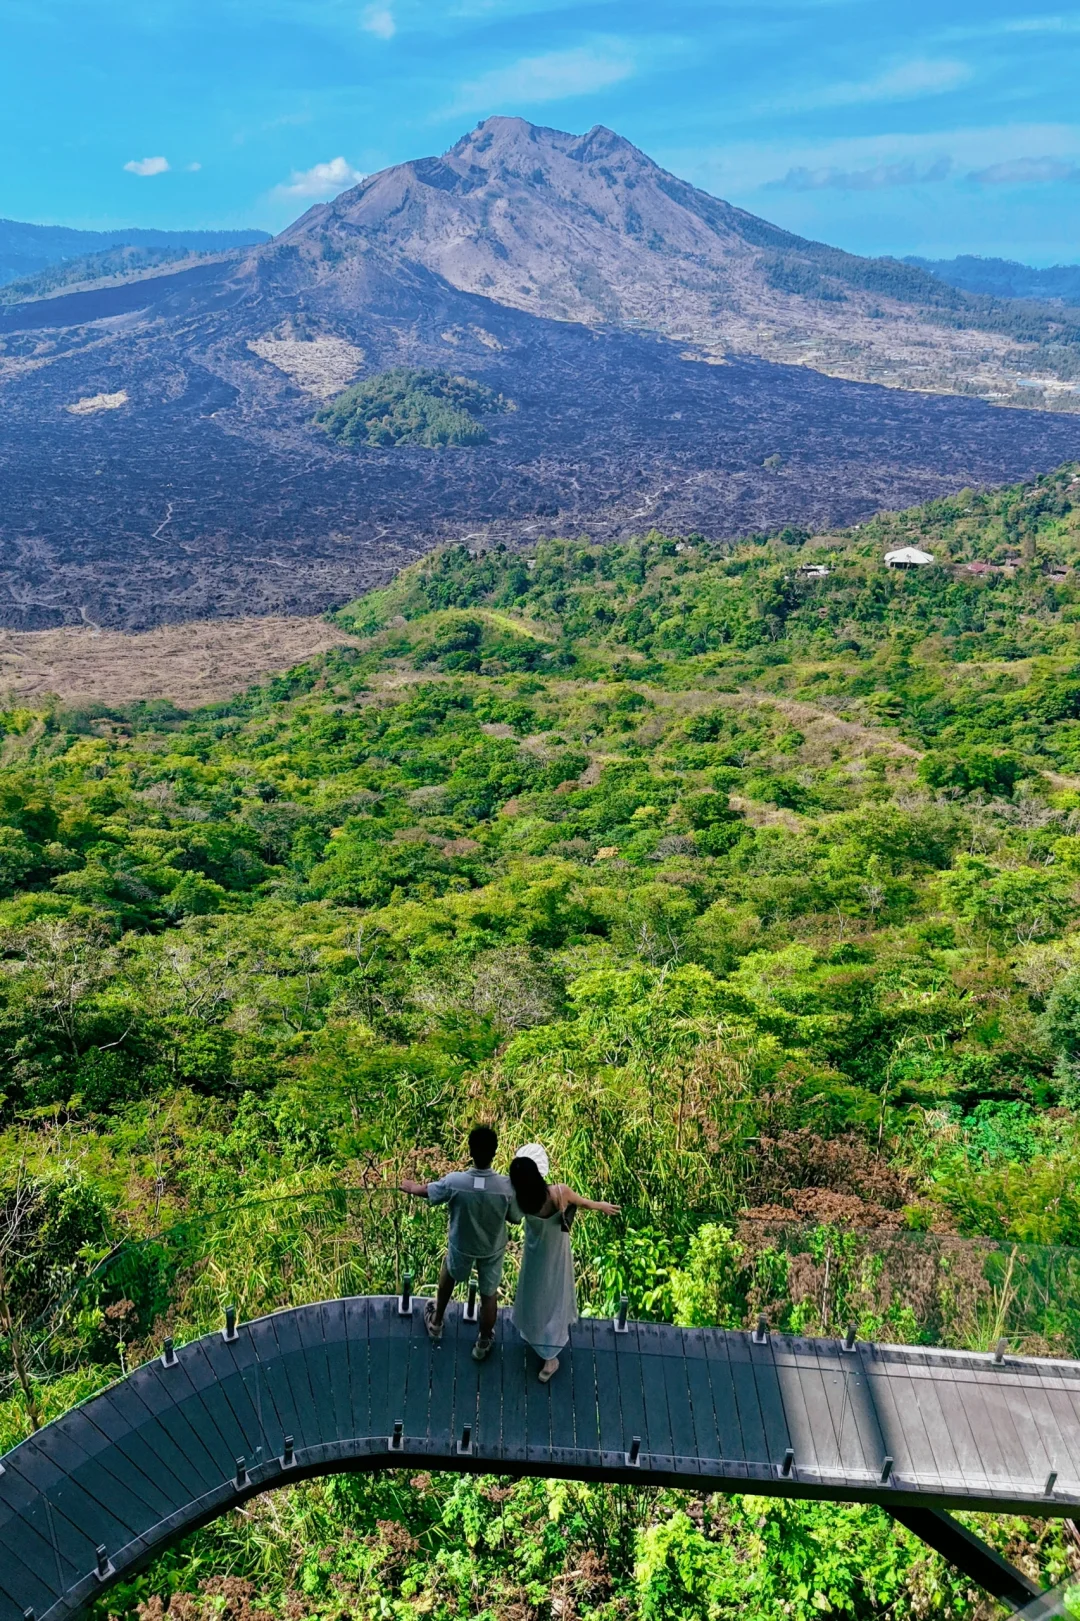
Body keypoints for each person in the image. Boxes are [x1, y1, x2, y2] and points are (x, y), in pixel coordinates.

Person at [399, 1124, 519, 1362]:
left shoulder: (456, 1182)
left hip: (461, 1244)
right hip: (492, 1248)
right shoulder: (507, 1187)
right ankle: (483, 1342)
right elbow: (515, 1218)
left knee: (450, 1274)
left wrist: (411, 1188)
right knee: (489, 1294)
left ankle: (436, 1322)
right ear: (495, 1152)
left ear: (470, 1151)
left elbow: (429, 1191)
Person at [508, 1143, 620, 1383]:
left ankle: (534, 1333)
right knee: (555, 1296)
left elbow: (512, 1218)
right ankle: (551, 1356)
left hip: (533, 1253)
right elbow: (585, 1203)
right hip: (556, 1253)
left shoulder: (519, 1199)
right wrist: (603, 1206)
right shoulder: (559, 1193)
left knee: (534, 1292)